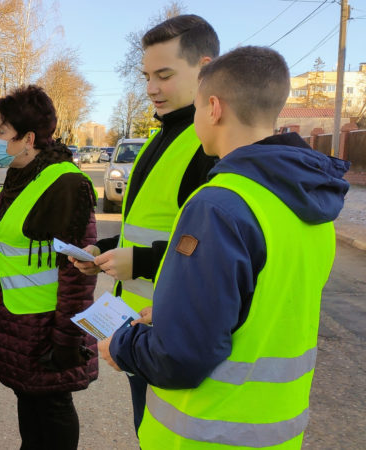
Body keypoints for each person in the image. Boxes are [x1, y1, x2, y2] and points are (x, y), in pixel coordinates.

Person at [98, 46, 349, 448]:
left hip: (205, 431)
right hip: (275, 430)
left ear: (213, 108)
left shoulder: (218, 204)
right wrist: (169, 313)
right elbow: (260, 309)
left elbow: (180, 356)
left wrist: (123, 345)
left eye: (197, 107)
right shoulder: (308, 201)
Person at [71, 14, 219, 432]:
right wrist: (103, 248)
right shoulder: (162, 137)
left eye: (164, 75)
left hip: (176, 331)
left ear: (205, 69)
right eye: (147, 75)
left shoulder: (209, 145)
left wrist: (140, 262)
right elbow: (149, 226)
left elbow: (211, 248)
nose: (151, 88)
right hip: (143, 327)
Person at [0, 85, 98, 450]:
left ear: (27, 138)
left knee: (52, 408)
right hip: (18, 325)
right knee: (29, 407)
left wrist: (67, 341)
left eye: (1, 132)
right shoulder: (18, 178)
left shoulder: (64, 184)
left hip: (47, 330)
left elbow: (78, 276)